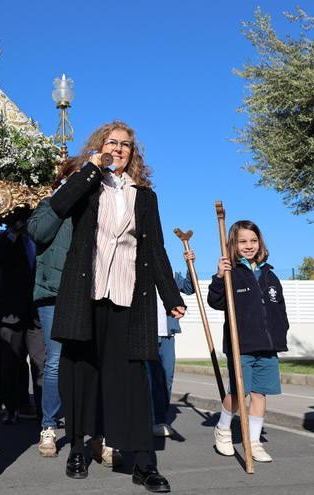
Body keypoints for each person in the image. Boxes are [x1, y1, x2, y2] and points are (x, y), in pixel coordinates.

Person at [49, 121, 185, 493]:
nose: (120, 149)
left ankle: (143, 462)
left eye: (126, 144)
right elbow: (58, 206)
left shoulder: (145, 196)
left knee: (132, 381)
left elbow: (155, 250)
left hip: (129, 298)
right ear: (100, 145)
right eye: (113, 142)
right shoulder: (86, 184)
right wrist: (92, 168)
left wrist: (172, 298)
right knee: (80, 374)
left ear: (133, 152)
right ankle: (77, 448)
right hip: (86, 296)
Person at [208, 220, 288, 464]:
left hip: (268, 346)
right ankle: (223, 429)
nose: (249, 245)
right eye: (243, 241)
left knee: (259, 394)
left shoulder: (269, 274)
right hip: (240, 344)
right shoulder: (232, 273)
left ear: (260, 243)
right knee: (238, 392)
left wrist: (280, 334)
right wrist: (220, 277)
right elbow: (216, 302)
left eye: (253, 240)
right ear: (233, 244)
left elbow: (279, 310)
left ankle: (253, 441)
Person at [27, 156, 83, 457]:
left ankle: (89, 426)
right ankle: (48, 426)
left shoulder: (92, 208)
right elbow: (39, 233)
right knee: (55, 361)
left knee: (88, 361)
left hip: (86, 293)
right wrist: (62, 200)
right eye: (76, 177)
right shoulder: (49, 205)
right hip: (53, 294)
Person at [0, 209, 44, 426]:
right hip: (7, 310)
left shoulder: (39, 239)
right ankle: (10, 405)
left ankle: (42, 411)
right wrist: (11, 235)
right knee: (9, 360)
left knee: (39, 360)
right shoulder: (2, 240)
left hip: (34, 309)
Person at [149, 260, 196, 438]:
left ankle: (160, 419)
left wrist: (189, 265)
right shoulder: (138, 272)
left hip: (167, 335)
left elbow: (189, 288)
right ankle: (147, 418)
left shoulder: (171, 276)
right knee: (148, 379)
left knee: (166, 377)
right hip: (146, 334)